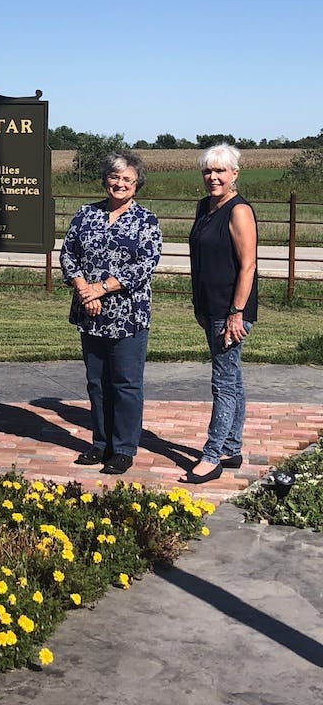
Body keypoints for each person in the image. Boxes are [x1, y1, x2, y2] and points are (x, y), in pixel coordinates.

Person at [60, 152, 162, 475]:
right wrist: (84, 290)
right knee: (96, 382)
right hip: (90, 312)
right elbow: (67, 254)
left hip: (128, 315)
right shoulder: (85, 215)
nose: (119, 184)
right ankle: (100, 443)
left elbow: (144, 266)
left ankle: (123, 448)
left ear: (137, 185)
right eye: (115, 177)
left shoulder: (147, 221)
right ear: (106, 179)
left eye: (127, 179)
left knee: (125, 383)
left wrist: (100, 288)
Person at [181, 143, 258, 484]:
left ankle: (212, 456)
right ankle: (231, 446)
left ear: (234, 174)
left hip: (231, 309)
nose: (213, 177)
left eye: (220, 171)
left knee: (223, 382)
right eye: (207, 172)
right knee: (232, 377)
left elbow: (248, 265)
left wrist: (236, 313)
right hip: (210, 307)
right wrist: (200, 305)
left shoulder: (239, 211)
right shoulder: (205, 207)